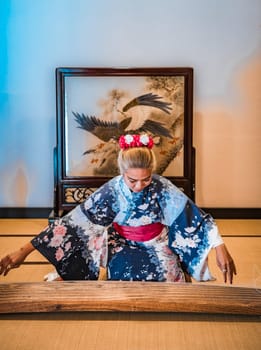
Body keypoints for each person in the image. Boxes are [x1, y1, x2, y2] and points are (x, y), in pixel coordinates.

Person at [0, 134, 236, 283]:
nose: (139, 186)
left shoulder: (162, 187)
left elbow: (193, 217)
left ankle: (177, 270)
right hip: (122, 243)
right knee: (122, 281)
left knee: (167, 281)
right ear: (122, 172)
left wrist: (219, 246)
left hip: (156, 242)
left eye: (146, 179)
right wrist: (23, 251)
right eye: (132, 180)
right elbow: (72, 224)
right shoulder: (112, 190)